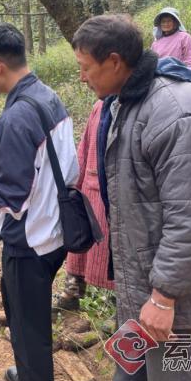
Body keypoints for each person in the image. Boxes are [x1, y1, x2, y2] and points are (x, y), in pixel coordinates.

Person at [72, 14, 191, 381]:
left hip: (173, 294)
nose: (82, 77)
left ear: (115, 61)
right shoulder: (126, 101)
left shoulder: (179, 113)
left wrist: (164, 298)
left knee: (173, 376)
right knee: (130, 375)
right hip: (141, 283)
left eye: (85, 68)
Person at [0, 23, 78, 381]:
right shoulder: (48, 97)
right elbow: (50, 165)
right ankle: (27, 373)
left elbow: (11, 199)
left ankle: (34, 377)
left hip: (28, 241)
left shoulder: (14, 117)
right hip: (55, 230)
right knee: (28, 315)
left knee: (28, 329)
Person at [53, 101, 115, 325]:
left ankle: (113, 306)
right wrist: (75, 184)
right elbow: (85, 147)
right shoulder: (99, 107)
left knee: (109, 251)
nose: (83, 78)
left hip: (112, 191)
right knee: (78, 246)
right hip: (90, 185)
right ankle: (73, 292)